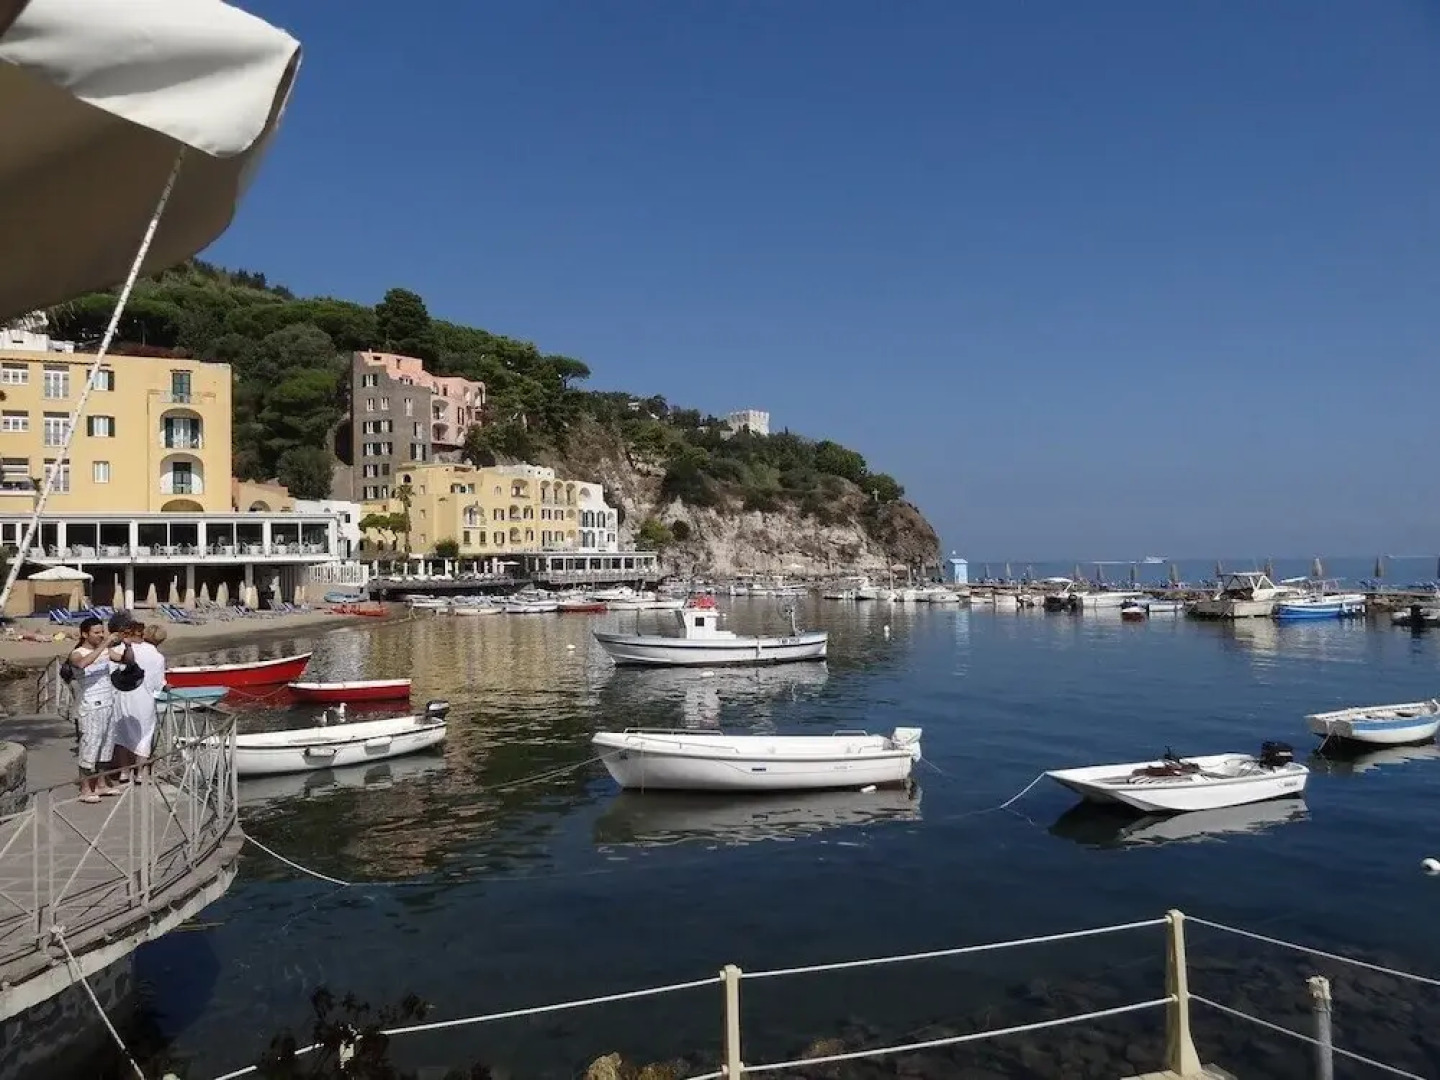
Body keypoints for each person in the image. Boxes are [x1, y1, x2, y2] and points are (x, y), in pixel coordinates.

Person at [68, 616, 120, 802]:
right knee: (90, 745)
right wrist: (104, 644)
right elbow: (81, 664)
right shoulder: (77, 653)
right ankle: (85, 788)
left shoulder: (105, 651)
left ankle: (101, 784)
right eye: (96, 632)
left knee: (106, 746)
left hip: (108, 703)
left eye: (102, 632)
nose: (100, 635)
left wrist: (127, 643)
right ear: (85, 634)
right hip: (90, 707)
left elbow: (126, 660)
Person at [113, 621, 165, 783]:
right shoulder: (157, 657)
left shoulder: (120, 649)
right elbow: (158, 685)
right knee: (144, 734)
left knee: (121, 734)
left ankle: (124, 771)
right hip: (144, 698)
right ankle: (140, 773)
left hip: (122, 695)